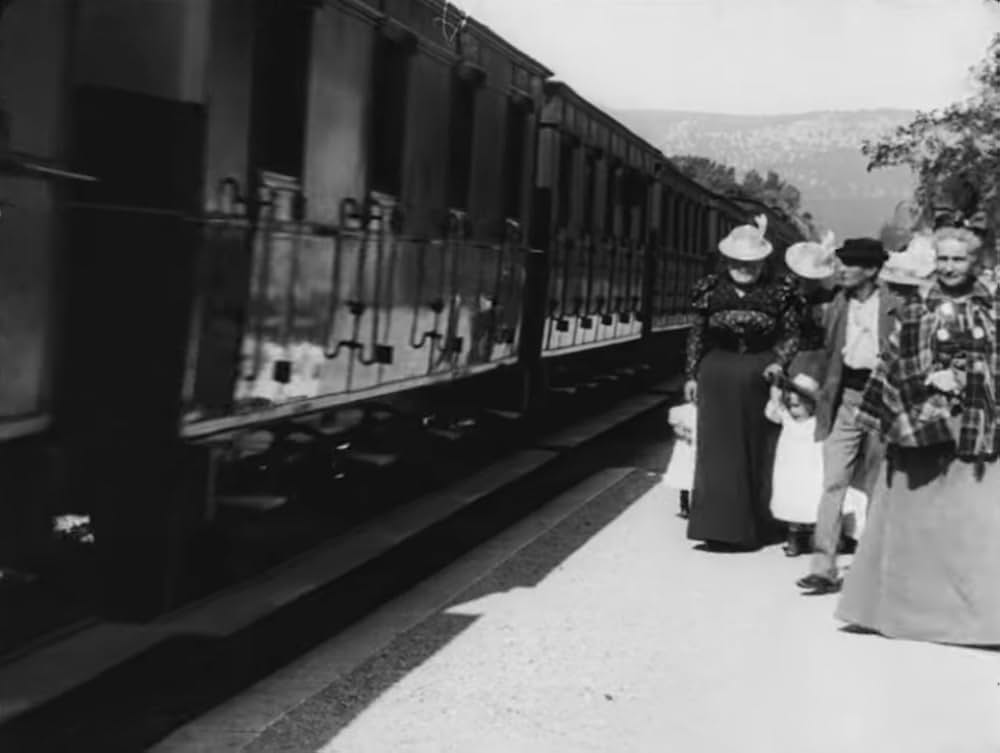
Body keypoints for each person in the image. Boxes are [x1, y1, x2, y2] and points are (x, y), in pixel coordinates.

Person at [836, 227, 1000, 645]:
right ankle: (903, 615)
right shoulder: (914, 309)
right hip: (917, 431)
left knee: (972, 526)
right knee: (911, 527)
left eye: (957, 259)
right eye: (942, 259)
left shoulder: (991, 309)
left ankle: (975, 622)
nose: (948, 267)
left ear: (974, 262)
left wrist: (963, 376)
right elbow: (892, 364)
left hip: (973, 431)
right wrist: (921, 383)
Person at [684, 215, 800, 550]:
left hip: (759, 375)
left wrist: (779, 362)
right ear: (727, 260)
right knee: (716, 452)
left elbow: (791, 334)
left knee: (757, 449)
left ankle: (756, 526)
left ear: (762, 261)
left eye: (750, 262)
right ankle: (718, 527)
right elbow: (697, 335)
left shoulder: (780, 293)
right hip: (716, 376)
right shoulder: (709, 289)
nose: (744, 268)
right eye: (737, 261)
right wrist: (691, 375)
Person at [796, 237, 902, 595]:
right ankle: (822, 567)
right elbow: (813, 333)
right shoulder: (837, 303)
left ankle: (871, 568)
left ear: (871, 270)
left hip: (881, 397)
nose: (842, 268)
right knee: (833, 481)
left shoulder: (895, 304)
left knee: (877, 484)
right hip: (845, 396)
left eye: (850, 263)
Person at [765, 371, 868, 557]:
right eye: (790, 402)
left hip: (812, 472)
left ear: (811, 404)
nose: (793, 407)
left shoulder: (817, 424)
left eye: (798, 404)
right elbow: (773, 409)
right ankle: (794, 538)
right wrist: (776, 386)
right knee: (792, 503)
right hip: (790, 472)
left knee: (814, 502)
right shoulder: (787, 420)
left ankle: (821, 537)